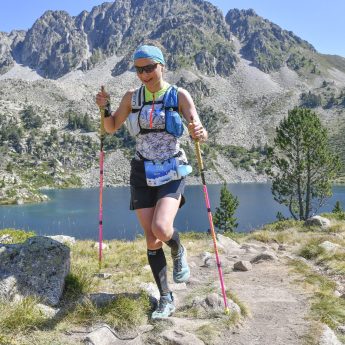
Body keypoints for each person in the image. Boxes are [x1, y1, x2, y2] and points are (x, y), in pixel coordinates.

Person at [96, 44, 208, 319]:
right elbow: (110, 128)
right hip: (141, 170)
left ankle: (178, 248)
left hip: (172, 168)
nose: (144, 74)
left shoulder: (178, 95)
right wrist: (104, 108)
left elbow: (198, 130)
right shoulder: (131, 97)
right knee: (151, 238)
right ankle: (165, 298)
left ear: (162, 66)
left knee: (161, 227)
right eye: (139, 69)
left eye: (149, 68)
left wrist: (199, 132)